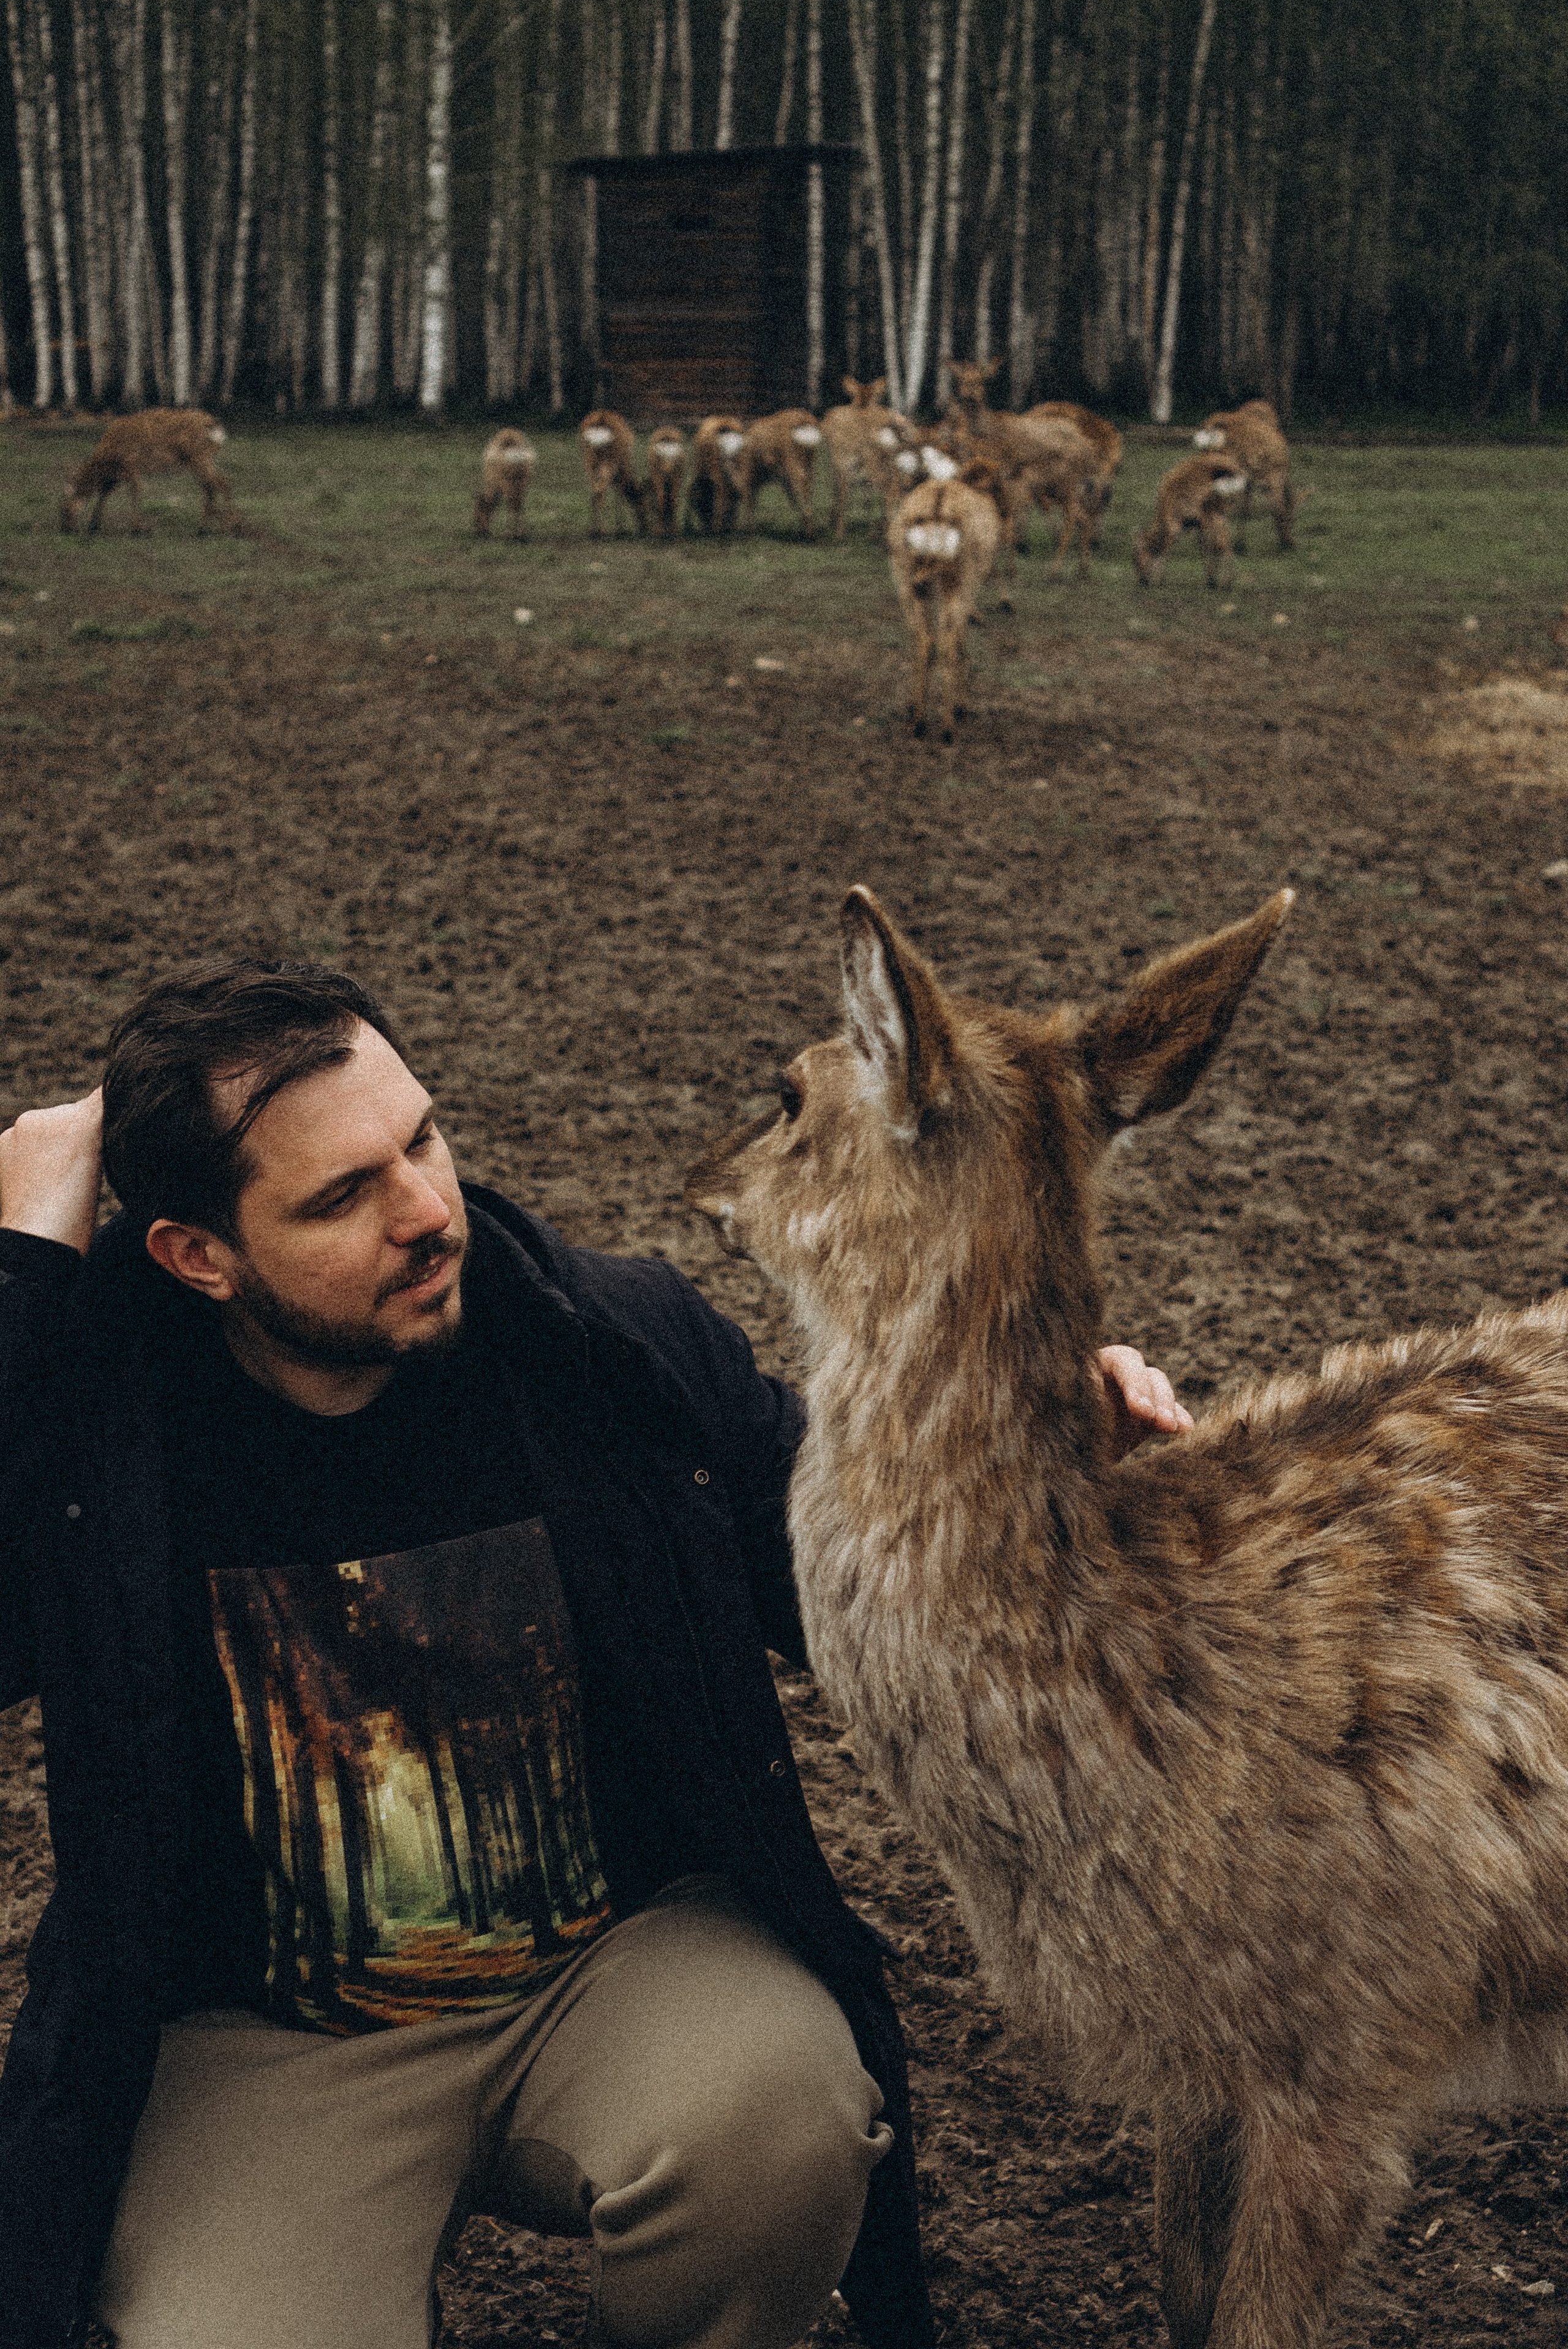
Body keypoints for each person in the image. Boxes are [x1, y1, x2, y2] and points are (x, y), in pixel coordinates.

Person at [0, 961, 1191, 2349]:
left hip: (617, 1967)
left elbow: (870, 1595)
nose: (426, 1212)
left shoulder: (608, 1351)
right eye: (341, 1197)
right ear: (196, 1256)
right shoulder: (101, 1443)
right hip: (274, 2045)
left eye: (422, 1140)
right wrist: (24, 1269)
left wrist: (1037, 1466)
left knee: (788, 2118)